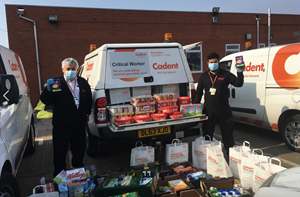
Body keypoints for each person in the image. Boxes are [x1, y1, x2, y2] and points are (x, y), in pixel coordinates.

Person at [40, 57, 92, 177]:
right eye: (68, 69)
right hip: (61, 126)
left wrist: (87, 113)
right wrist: (48, 90)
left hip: (79, 125)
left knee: (79, 152)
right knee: (59, 153)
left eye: (73, 69)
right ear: (63, 69)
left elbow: (88, 99)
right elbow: (45, 100)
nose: (70, 71)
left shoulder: (83, 82)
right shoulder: (56, 82)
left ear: (77, 69)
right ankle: (59, 177)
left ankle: (78, 173)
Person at [195, 52, 244, 155]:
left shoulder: (225, 74)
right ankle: (208, 158)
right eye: (211, 62)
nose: (213, 64)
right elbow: (199, 92)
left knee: (228, 138)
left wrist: (240, 72)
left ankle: (232, 158)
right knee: (207, 137)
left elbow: (238, 83)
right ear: (207, 63)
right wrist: (196, 107)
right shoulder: (204, 76)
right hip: (209, 112)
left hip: (224, 112)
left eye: (215, 62)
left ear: (218, 62)